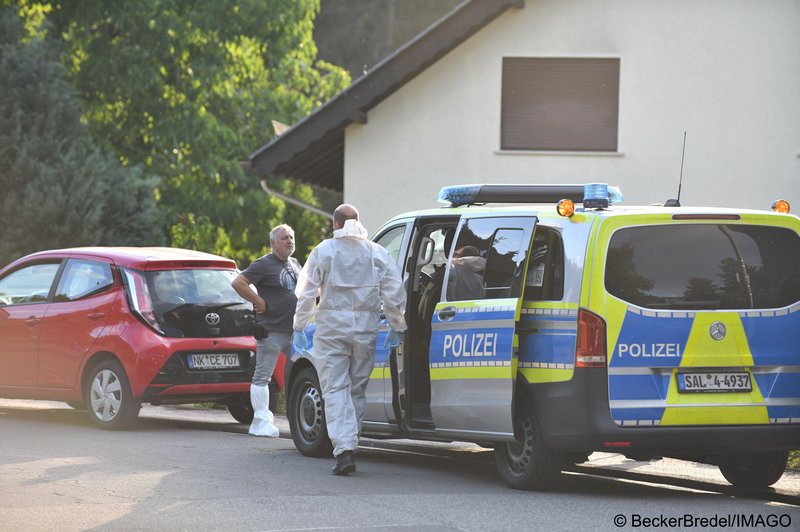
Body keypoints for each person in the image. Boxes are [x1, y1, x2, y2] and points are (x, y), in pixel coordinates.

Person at [292, 204, 406, 475]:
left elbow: (307, 292)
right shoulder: (377, 253)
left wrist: (298, 326)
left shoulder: (324, 251)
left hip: (331, 330)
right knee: (356, 389)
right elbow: (394, 293)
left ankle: (344, 450)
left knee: (335, 389)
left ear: (335, 225)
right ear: (359, 222)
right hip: (365, 331)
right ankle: (349, 444)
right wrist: (396, 325)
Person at [231, 223, 301, 437]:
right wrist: (258, 300)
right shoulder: (263, 264)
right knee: (263, 376)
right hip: (272, 330)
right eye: (284, 238)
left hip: (295, 331)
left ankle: (292, 417)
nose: (289, 241)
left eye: (291, 237)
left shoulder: (295, 263)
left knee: (301, 374)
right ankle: (260, 422)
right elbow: (238, 282)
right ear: (273, 243)